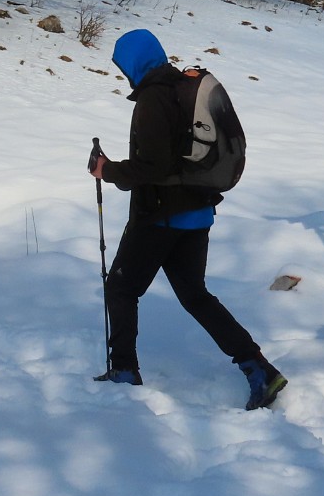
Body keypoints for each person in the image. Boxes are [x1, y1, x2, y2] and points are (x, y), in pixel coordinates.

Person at [89, 28, 286, 410]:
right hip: (197, 214)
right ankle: (259, 368)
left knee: (122, 289)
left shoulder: (152, 100)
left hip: (161, 217)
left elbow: (153, 166)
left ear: (133, 63)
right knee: (196, 296)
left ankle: (124, 370)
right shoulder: (183, 89)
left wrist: (107, 170)